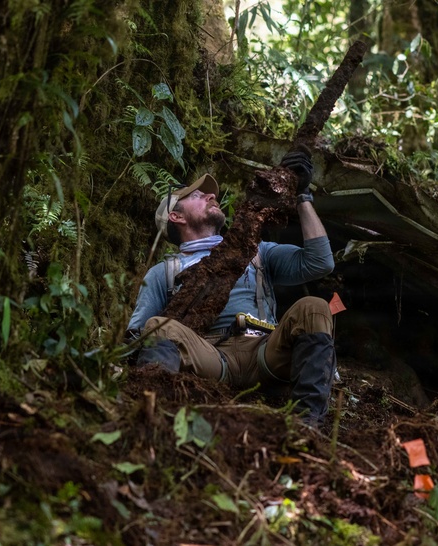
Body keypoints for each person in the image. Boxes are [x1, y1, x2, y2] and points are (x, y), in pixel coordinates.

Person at [128, 150, 337, 423]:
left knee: (315, 308)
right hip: (212, 357)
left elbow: (320, 262)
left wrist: (303, 195)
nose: (211, 196)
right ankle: (155, 418)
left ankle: (307, 425)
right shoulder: (163, 273)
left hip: (265, 352)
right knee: (159, 325)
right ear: (176, 217)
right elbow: (137, 334)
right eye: (196, 196)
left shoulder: (256, 252)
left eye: (209, 194)